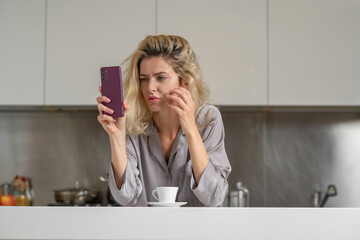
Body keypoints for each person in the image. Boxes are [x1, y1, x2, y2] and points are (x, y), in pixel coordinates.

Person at [96, 35, 231, 207]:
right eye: (144, 79)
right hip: (146, 233)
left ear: (185, 81)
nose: (150, 87)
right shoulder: (132, 124)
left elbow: (214, 197)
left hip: (195, 233)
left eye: (161, 77)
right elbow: (125, 197)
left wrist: (190, 129)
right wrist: (116, 136)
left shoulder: (208, 119)